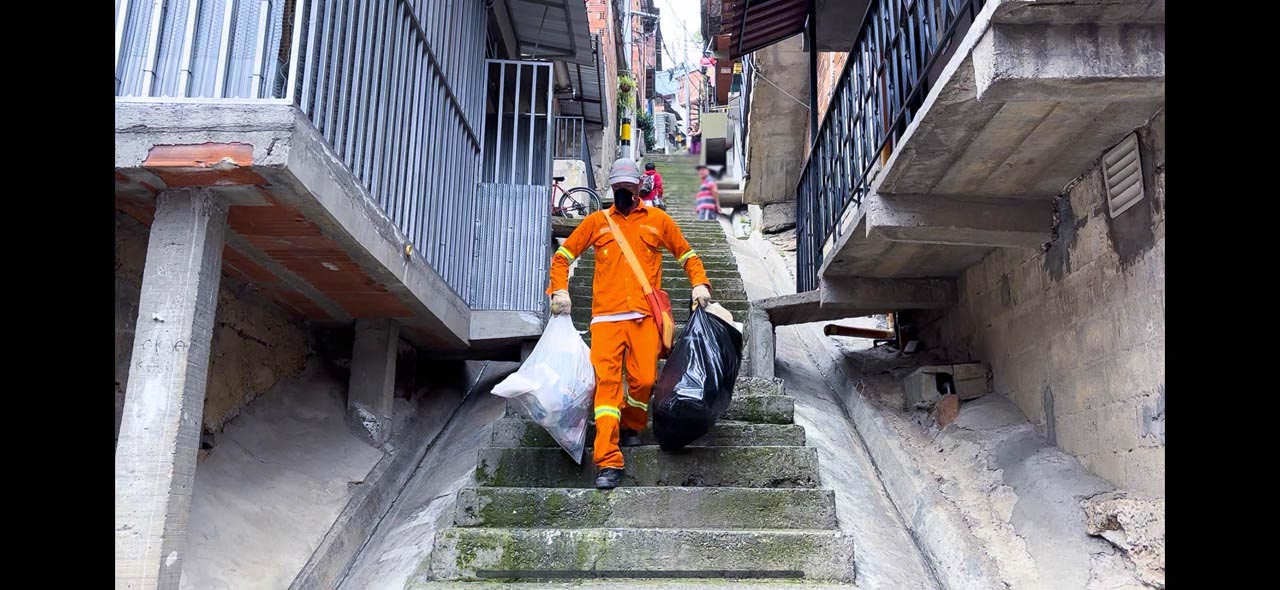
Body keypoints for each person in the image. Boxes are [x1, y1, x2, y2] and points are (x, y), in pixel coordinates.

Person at [546, 158, 713, 490]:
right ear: (612, 187)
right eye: (618, 186)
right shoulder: (597, 222)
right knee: (606, 389)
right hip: (605, 321)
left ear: (639, 187)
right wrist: (560, 289)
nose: (623, 191)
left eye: (628, 185)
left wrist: (699, 284)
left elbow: (687, 255)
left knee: (644, 380)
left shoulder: (658, 221)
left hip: (644, 318)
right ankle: (608, 460)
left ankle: (633, 424)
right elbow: (563, 257)